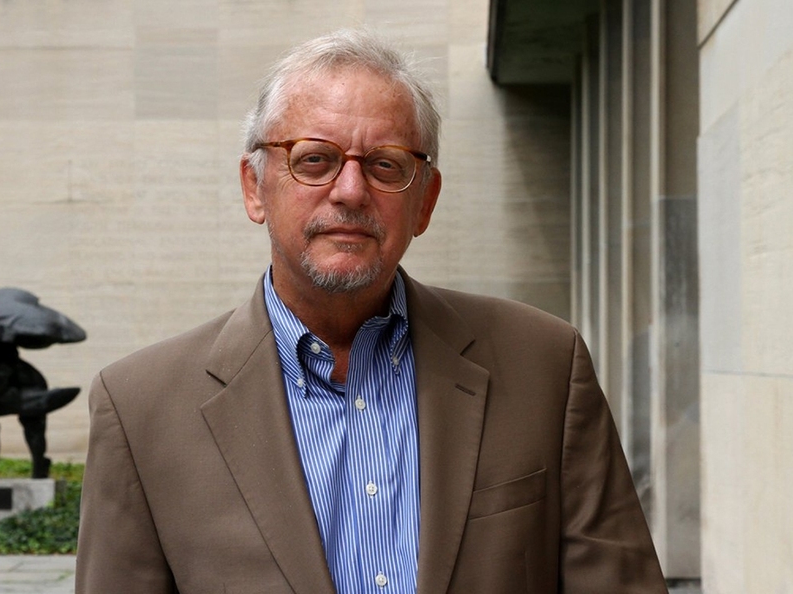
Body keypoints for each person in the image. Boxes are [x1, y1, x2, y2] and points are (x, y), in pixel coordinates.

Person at [76, 29, 668, 593]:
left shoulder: (544, 366)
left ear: (425, 203)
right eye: (313, 160)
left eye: (386, 164)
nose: (351, 191)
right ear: (255, 188)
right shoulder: (139, 410)